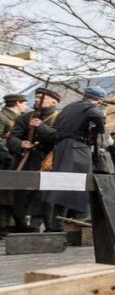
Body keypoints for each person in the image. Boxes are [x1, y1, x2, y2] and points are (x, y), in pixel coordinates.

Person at [45, 86, 108, 228]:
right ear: (100, 101)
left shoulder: (69, 107)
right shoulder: (89, 107)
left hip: (62, 148)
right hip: (77, 148)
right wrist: (100, 128)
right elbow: (98, 116)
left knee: (62, 186)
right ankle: (81, 223)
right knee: (82, 185)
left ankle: (57, 225)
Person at [7, 87, 61, 231]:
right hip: (27, 160)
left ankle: (47, 227)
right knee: (21, 194)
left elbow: (59, 137)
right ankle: (22, 226)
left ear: (53, 101)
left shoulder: (59, 118)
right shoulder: (25, 117)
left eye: (40, 98)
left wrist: (41, 127)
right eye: (36, 97)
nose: (36, 100)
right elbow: (13, 137)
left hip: (48, 162)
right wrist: (20, 143)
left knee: (45, 197)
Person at [1, 93, 30, 232]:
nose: (26, 106)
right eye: (24, 103)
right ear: (17, 103)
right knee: (3, 195)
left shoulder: (17, 118)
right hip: (4, 161)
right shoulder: (2, 118)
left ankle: (10, 225)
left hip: (11, 159)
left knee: (10, 195)